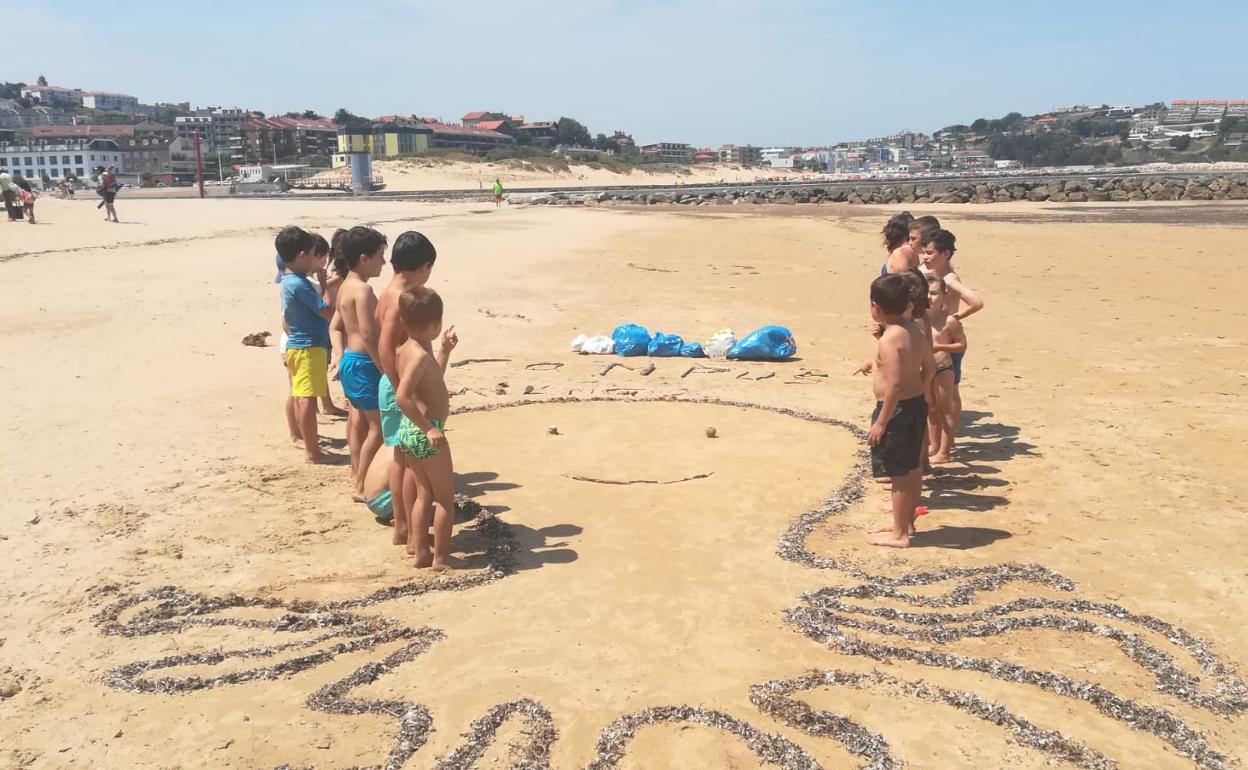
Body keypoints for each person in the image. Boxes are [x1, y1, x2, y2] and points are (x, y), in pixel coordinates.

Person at [376, 231, 447, 552]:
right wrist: (397, 384)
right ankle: (404, 526)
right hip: (399, 386)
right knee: (403, 462)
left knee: (406, 460)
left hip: (400, 382)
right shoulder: (399, 296)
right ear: (423, 266)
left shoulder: (392, 291)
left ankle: (406, 529)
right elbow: (384, 345)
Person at [866, 272, 934, 549]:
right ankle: (905, 523)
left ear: (876, 307)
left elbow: (894, 385)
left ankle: (899, 535)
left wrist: (882, 421)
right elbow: (930, 367)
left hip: (896, 410)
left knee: (898, 475)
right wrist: (920, 390)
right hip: (915, 404)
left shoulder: (889, 339)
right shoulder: (915, 331)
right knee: (913, 468)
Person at [394, 286, 457, 569]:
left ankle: (421, 552)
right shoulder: (419, 355)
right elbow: (402, 397)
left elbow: (432, 379)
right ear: (435, 325)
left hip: (410, 430)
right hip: (424, 431)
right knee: (445, 500)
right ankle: (440, 558)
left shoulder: (410, 349)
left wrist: (444, 350)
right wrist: (429, 429)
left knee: (424, 494)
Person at [335, 225, 389, 500]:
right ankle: (359, 484)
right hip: (365, 363)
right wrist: (383, 367)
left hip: (350, 360)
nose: (383, 262)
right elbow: (368, 333)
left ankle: (357, 472)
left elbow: (341, 326)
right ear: (364, 258)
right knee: (377, 428)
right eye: (380, 256)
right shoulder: (363, 290)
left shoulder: (345, 285)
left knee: (359, 423)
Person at [277, 226, 338, 463]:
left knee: (301, 395)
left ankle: (306, 442)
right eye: (313, 255)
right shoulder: (299, 284)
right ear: (302, 255)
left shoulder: (290, 281)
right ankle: (312, 452)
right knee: (307, 399)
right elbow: (325, 311)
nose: (315, 260)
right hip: (308, 347)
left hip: (301, 346)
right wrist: (325, 286)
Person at [920, 228, 983, 435]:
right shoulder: (930, 273)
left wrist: (955, 317)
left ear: (945, 254)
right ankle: (937, 436)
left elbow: (976, 302)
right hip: (932, 336)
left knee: (951, 392)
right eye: (924, 252)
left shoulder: (949, 279)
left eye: (930, 253)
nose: (925, 257)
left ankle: (950, 436)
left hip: (948, 339)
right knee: (931, 393)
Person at [925, 274, 966, 464]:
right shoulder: (919, 318)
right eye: (926, 293)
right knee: (931, 408)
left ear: (943, 295)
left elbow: (961, 345)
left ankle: (945, 451)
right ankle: (934, 445)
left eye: (934, 293)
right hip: (926, 369)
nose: (929, 297)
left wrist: (940, 347)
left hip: (943, 368)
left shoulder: (949, 321)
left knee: (945, 410)